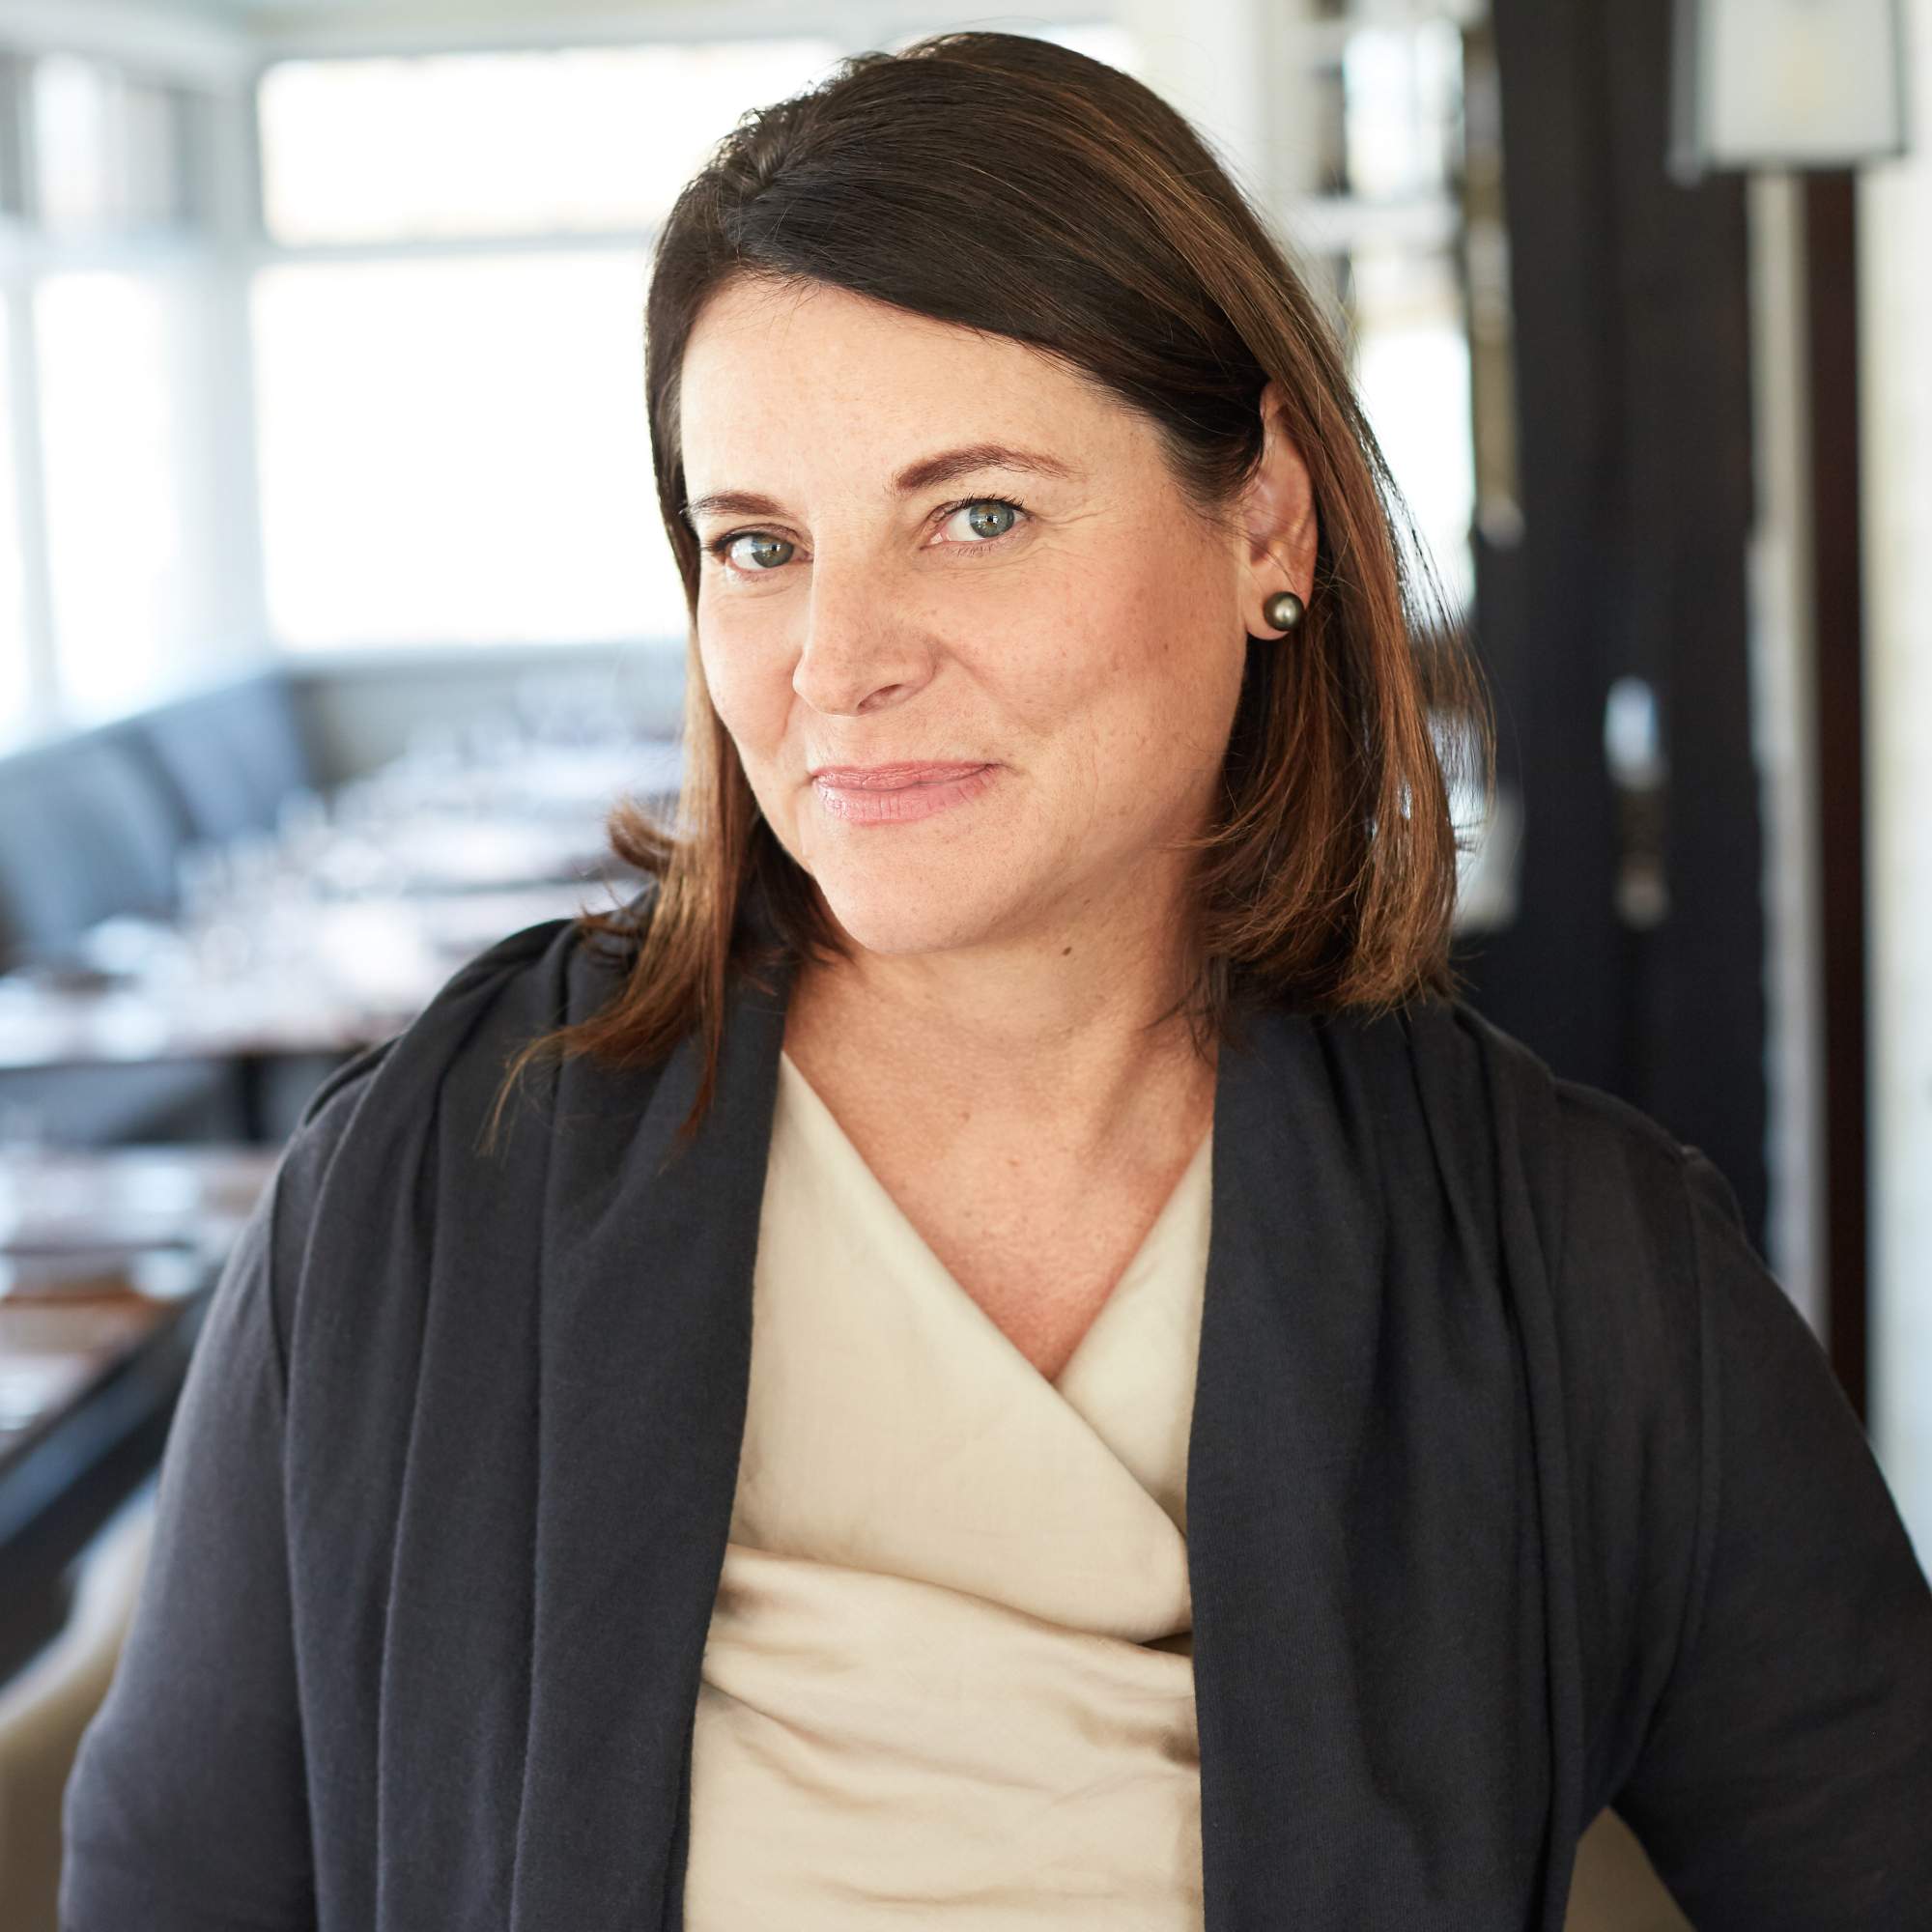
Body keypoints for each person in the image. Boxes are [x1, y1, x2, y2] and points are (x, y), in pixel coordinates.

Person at [60, 30, 1931, 1932]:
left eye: (977, 514)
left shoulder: (1576, 1269)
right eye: (761, 544)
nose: (835, 659)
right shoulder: (429, 1190)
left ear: (1267, 517)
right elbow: (175, 1884)